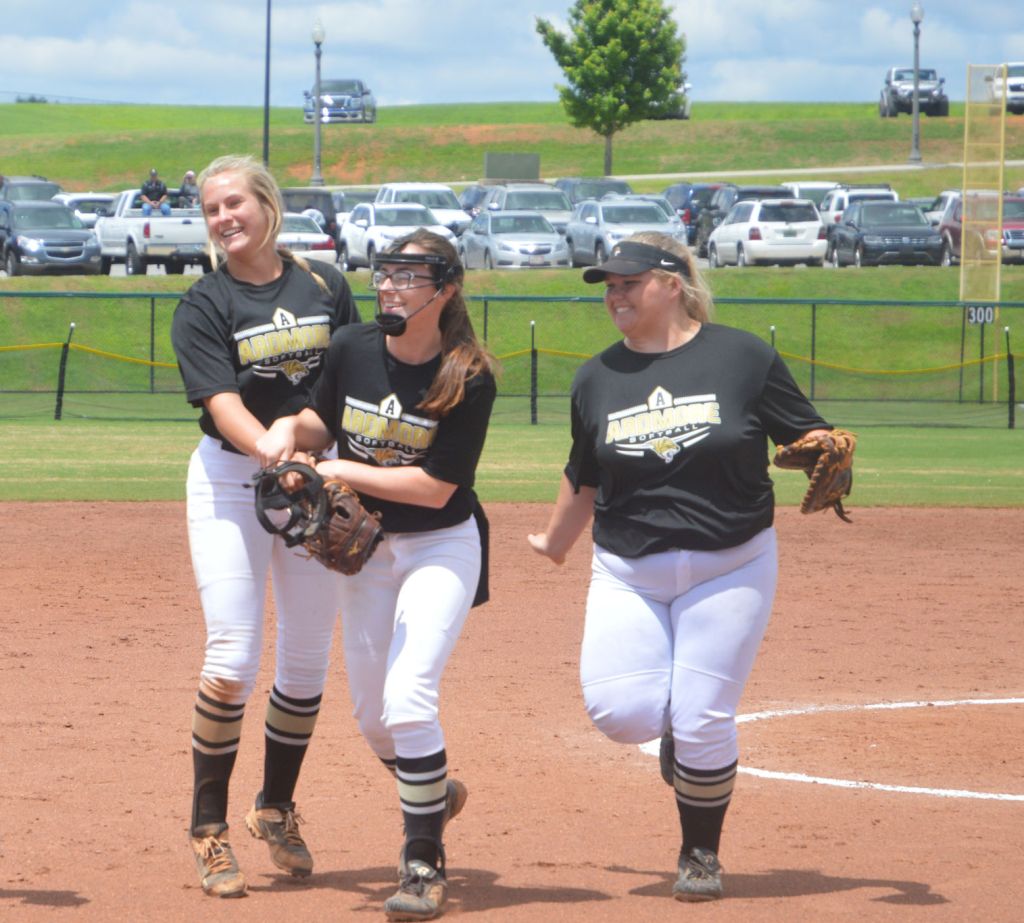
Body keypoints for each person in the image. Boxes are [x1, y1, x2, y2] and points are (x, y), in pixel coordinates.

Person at [527, 232, 836, 903]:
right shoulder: (596, 376)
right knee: (621, 713)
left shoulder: (742, 356)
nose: (615, 295)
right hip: (627, 567)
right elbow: (584, 471)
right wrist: (555, 540)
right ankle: (675, 732)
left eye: (628, 283)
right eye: (609, 285)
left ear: (672, 283)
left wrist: (822, 448)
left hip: (731, 563)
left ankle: (700, 853)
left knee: (702, 717)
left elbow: (806, 433)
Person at [256, 228, 496, 921]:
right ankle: (433, 792)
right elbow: (319, 417)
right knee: (372, 716)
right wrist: (289, 432)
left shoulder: (468, 373)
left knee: (409, 698)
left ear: (445, 289)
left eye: (408, 276)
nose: (389, 286)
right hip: (369, 553)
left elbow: (436, 489)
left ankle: (422, 864)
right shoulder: (352, 347)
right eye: (385, 273)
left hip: (440, 546)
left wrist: (335, 468)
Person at [170, 153, 360, 899]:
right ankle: (208, 829)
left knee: (307, 659)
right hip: (231, 479)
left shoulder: (324, 285)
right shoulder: (204, 302)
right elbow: (222, 403)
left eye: (234, 203)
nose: (223, 218)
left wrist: (312, 453)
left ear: (267, 204)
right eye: (211, 209)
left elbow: (346, 386)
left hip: (313, 473)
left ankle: (274, 808)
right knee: (232, 657)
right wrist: (275, 454)